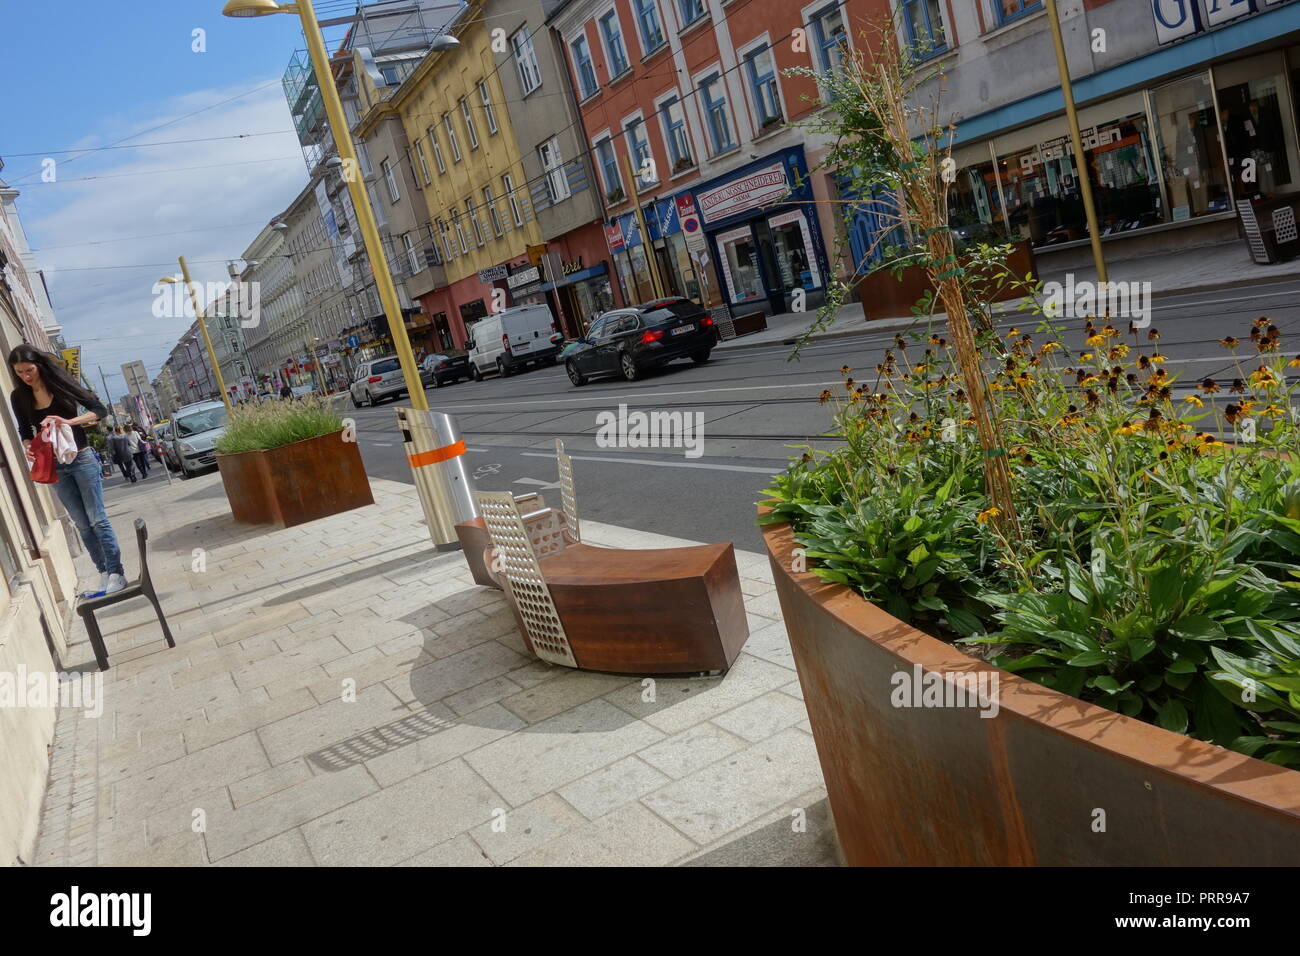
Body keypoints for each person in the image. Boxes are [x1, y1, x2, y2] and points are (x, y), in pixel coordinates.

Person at [9, 345, 127, 596]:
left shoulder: (61, 384)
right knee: (82, 523)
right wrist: (29, 447)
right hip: (54, 465)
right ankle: (104, 572)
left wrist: (69, 421)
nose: (25, 376)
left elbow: (99, 410)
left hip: (81, 458)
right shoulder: (19, 397)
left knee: (97, 518)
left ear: (38, 365)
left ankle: (117, 572)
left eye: (29, 370)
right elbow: (24, 431)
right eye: (19, 372)